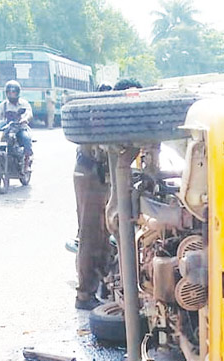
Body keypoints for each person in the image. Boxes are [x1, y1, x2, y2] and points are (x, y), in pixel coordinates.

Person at [72, 77, 143, 310]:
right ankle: (84, 295)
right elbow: (109, 151)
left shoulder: (117, 115)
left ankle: (107, 279)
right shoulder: (105, 114)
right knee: (92, 234)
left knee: (108, 230)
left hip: (104, 173)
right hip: (91, 174)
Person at [0, 80, 33, 169]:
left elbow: (29, 113)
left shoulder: (24, 103)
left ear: (18, 93)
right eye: (9, 93)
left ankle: (26, 162)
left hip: (20, 128)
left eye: (13, 92)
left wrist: (25, 119)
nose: (11, 95)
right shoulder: (4, 105)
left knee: (26, 138)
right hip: (7, 129)